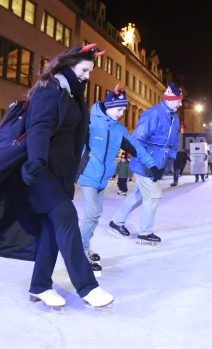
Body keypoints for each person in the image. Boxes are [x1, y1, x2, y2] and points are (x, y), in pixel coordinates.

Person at [0, 44, 113, 309]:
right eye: (84, 70)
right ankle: (87, 287)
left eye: (89, 71)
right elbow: (39, 127)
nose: (87, 76)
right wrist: (36, 162)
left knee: (51, 231)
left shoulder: (73, 95)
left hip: (61, 175)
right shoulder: (49, 89)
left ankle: (39, 286)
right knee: (67, 219)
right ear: (69, 65)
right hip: (40, 172)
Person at [76, 86, 158, 274]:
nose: (122, 114)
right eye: (119, 109)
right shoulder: (90, 122)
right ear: (109, 105)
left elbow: (135, 147)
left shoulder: (119, 129)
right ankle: (79, 253)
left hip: (103, 178)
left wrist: (151, 165)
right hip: (88, 175)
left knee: (95, 216)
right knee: (92, 214)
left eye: (124, 110)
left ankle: (85, 247)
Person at [108, 82, 182, 245]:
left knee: (139, 195)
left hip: (159, 162)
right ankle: (145, 233)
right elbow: (138, 141)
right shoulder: (152, 114)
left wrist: (168, 162)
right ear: (170, 100)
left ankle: (116, 222)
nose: (180, 104)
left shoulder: (174, 117)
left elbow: (174, 141)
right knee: (154, 196)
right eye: (178, 100)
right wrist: (150, 163)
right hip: (145, 163)